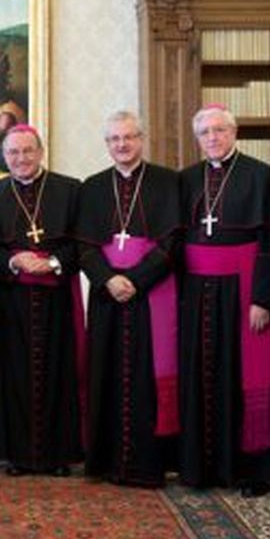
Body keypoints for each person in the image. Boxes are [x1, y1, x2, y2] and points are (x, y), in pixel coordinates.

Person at [75, 111, 183, 487]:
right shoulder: (92, 187)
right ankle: (105, 461)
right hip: (107, 296)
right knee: (106, 372)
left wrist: (134, 280)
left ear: (143, 138)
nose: (122, 145)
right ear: (107, 144)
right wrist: (108, 280)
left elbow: (172, 243)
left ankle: (147, 463)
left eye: (129, 137)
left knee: (146, 375)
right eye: (114, 139)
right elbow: (84, 246)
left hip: (151, 294)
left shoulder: (167, 183)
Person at [176, 105, 270, 493]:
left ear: (234, 133)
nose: (213, 138)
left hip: (243, 289)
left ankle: (249, 470)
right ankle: (200, 466)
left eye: (220, 130)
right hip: (198, 290)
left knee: (244, 376)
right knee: (201, 373)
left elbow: (269, 241)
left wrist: (262, 299)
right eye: (205, 133)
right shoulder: (187, 179)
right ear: (197, 138)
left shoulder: (258, 174)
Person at [0, 125, 83, 476]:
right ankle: (18, 455)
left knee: (59, 371)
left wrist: (52, 262)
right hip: (12, 299)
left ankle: (58, 455)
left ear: (40, 152)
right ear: (4, 157)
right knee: (13, 374)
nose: (21, 159)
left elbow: (81, 243)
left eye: (27, 151)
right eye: (13, 153)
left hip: (57, 299)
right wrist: (13, 260)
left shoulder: (69, 190)